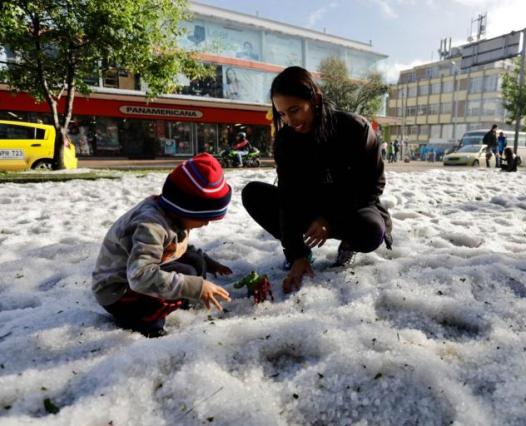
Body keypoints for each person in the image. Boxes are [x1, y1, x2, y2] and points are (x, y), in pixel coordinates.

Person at [241, 66, 393, 294]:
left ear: (315, 100)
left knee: (371, 231)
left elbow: (372, 187)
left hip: (351, 208)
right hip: (308, 210)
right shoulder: (285, 141)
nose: (290, 120)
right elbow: (287, 198)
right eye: (282, 114)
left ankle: (349, 245)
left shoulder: (355, 129)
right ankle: (304, 253)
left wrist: (329, 219)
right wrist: (297, 255)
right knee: (252, 193)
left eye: (295, 110)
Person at [92, 153, 233, 337]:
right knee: (188, 274)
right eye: (203, 219)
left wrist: (211, 264)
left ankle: (183, 299)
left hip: (138, 273)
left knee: (196, 261)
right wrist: (194, 286)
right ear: (184, 208)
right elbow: (139, 277)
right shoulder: (151, 226)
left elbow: (176, 248)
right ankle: (149, 324)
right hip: (119, 292)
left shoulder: (174, 215)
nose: (205, 224)